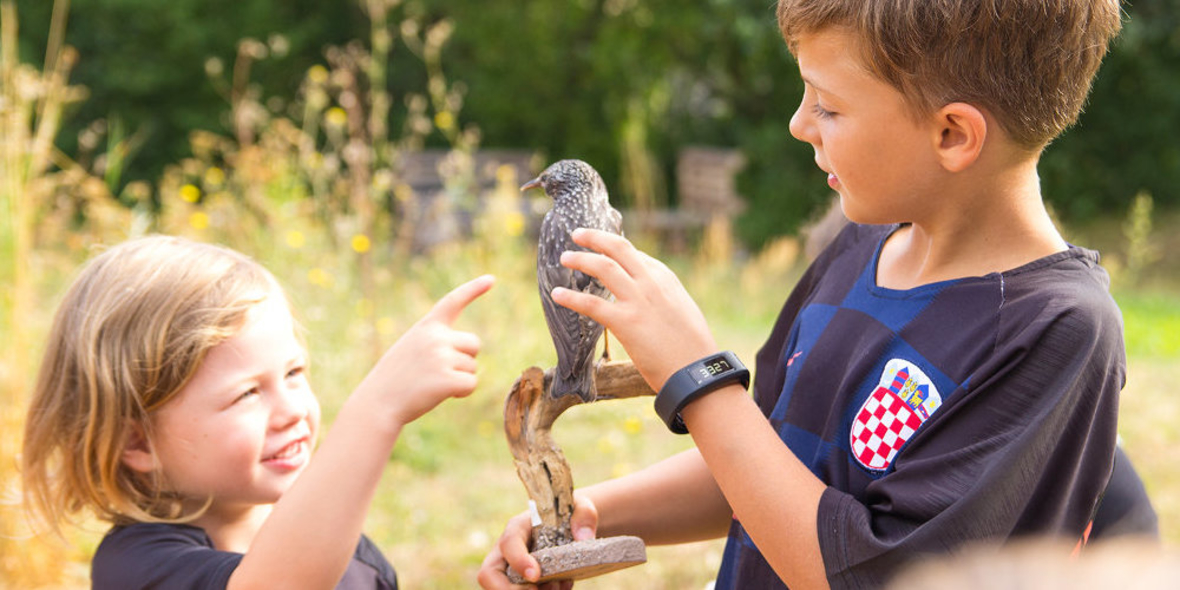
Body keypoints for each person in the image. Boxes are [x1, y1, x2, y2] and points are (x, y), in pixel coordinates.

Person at [478, 0, 1126, 588]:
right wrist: (596, 511)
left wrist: (695, 376)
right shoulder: (857, 245)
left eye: (829, 105)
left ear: (953, 134)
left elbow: (873, 573)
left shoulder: (1057, 329)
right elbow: (768, 463)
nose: (798, 124)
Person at [20, 235, 494, 589]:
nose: (292, 410)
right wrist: (377, 409)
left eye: (293, 373)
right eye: (247, 394)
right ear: (137, 442)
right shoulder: (136, 565)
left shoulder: (350, 553)